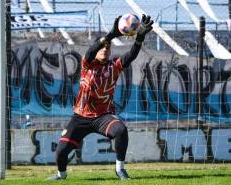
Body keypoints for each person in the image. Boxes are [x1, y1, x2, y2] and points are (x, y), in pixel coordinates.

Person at [47, 14, 153, 180]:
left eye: (108, 47)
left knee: (120, 130)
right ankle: (61, 174)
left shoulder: (114, 66)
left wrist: (139, 38)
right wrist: (111, 34)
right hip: (80, 117)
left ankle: (120, 169)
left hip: (102, 117)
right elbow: (90, 51)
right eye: (102, 47)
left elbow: (131, 55)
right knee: (61, 151)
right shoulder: (87, 64)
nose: (105, 49)